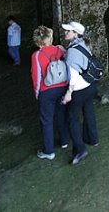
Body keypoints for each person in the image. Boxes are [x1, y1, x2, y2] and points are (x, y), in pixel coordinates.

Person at [61, 20, 99, 165]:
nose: (66, 32)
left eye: (68, 31)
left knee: (72, 118)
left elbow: (73, 75)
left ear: (76, 33)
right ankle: (93, 139)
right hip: (90, 85)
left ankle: (80, 149)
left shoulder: (72, 50)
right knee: (88, 110)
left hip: (79, 89)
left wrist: (69, 93)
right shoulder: (83, 44)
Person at [31, 26, 69, 160]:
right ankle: (64, 141)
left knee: (46, 120)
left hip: (46, 91)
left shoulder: (37, 56)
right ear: (50, 38)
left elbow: (36, 77)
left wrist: (37, 93)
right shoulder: (60, 49)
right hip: (62, 88)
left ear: (37, 41)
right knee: (61, 114)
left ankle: (49, 151)